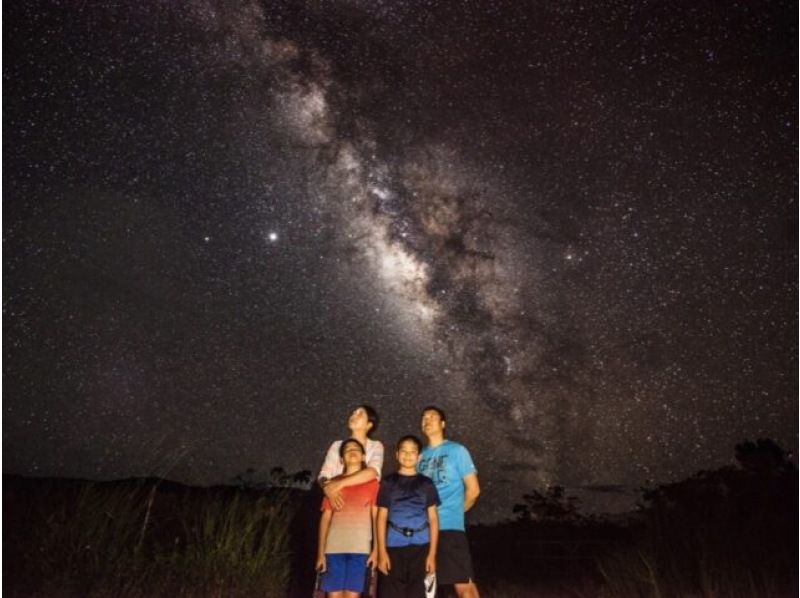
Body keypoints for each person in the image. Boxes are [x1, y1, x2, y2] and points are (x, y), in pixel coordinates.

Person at [417, 406, 481, 598]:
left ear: (443, 424)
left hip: (449, 529)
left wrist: (454, 513)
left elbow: (473, 490)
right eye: (424, 417)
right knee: (428, 589)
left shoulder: (457, 450)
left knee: (463, 586)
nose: (427, 420)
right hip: (423, 531)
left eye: (432, 416)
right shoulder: (418, 456)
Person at [376, 435, 440, 598]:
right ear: (397, 454)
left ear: (419, 456)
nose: (408, 455)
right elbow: (381, 517)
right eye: (403, 451)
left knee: (417, 593)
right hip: (393, 546)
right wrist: (382, 553)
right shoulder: (388, 482)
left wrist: (432, 555)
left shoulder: (426, 483)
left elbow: (433, 518)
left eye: (413, 451)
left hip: (421, 546)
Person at [316, 438, 379, 597]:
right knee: (333, 595)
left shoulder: (372, 483)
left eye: (356, 448)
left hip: (360, 549)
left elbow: (376, 517)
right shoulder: (332, 484)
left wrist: (376, 549)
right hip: (333, 549)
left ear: (364, 457)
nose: (352, 450)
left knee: (352, 595)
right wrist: (320, 552)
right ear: (341, 459)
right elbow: (325, 519)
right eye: (347, 449)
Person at [318, 405, 384, 510]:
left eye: (360, 413)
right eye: (353, 413)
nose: (354, 415)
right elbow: (324, 475)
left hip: (363, 503)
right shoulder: (337, 445)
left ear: (369, 425)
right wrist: (327, 489)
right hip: (337, 501)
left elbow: (373, 472)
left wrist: (339, 484)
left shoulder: (375, 446)